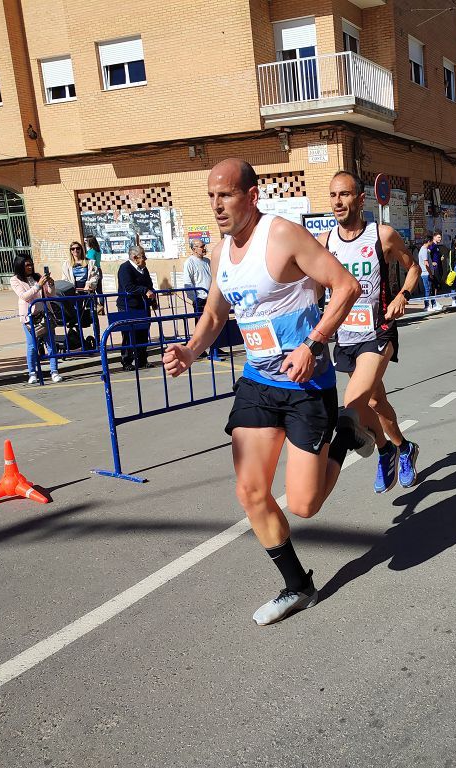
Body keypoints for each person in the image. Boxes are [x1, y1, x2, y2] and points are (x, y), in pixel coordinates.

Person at [163, 158, 363, 626]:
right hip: (258, 383)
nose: (217, 206)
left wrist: (314, 344)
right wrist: (190, 351)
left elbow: (345, 286)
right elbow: (215, 316)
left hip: (306, 383)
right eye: (211, 196)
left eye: (226, 195)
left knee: (304, 505)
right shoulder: (219, 253)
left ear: (251, 196)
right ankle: (298, 587)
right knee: (250, 490)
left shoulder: (282, 235)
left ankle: (347, 435)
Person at [321, 170, 422, 493]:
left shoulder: (383, 235)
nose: (338, 201)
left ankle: (384, 451)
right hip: (346, 336)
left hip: (379, 330)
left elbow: (413, 267)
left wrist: (402, 296)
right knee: (374, 404)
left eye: (345, 194)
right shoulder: (325, 242)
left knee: (354, 402)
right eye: (334, 195)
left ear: (360, 199)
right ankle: (399, 448)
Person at [10, 255, 63, 385]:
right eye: (27, 265)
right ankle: (32, 373)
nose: (30, 267)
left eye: (31, 264)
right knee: (32, 346)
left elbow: (50, 293)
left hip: (44, 315)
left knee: (51, 344)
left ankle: (54, 371)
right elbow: (24, 296)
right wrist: (38, 286)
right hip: (29, 317)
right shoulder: (15, 280)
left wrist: (50, 283)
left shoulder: (37, 277)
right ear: (20, 266)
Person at [184, 238, 226, 360]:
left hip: (211, 297)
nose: (204, 248)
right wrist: (194, 298)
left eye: (204, 246)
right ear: (193, 249)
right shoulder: (190, 262)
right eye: (201, 246)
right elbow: (188, 282)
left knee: (214, 323)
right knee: (202, 325)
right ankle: (199, 350)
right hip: (200, 299)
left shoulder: (208, 261)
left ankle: (215, 348)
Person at [116, 245, 156, 371]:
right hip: (128, 306)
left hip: (142, 305)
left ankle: (142, 360)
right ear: (134, 257)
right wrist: (145, 290)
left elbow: (149, 284)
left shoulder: (143, 269)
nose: (145, 259)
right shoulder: (125, 268)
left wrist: (152, 297)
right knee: (128, 334)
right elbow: (129, 287)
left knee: (143, 333)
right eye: (143, 256)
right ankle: (126, 361)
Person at [84, 235, 105, 314]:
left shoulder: (91, 252)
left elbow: (89, 263)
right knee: (100, 291)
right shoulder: (98, 250)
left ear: (90, 241)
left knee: (92, 290)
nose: (85, 243)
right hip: (99, 270)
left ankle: (97, 307)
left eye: (86, 241)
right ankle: (102, 309)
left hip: (93, 271)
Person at [417, 234, 435, 309]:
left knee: (429, 290)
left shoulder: (425, 250)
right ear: (428, 241)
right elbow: (426, 264)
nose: (432, 243)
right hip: (426, 273)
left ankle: (432, 304)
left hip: (426, 273)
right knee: (427, 290)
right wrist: (430, 274)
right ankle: (427, 306)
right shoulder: (424, 250)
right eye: (431, 242)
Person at [428, 231, 443, 303]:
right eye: (438, 237)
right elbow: (428, 253)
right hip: (434, 268)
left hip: (439, 267)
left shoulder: (437, 246)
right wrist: (431, 262)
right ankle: (433, 302)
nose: (440, 238)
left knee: (437, 285)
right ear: (434, 237)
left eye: (440, 237)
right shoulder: (432, 245)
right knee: (435, 284)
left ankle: (435, 301)